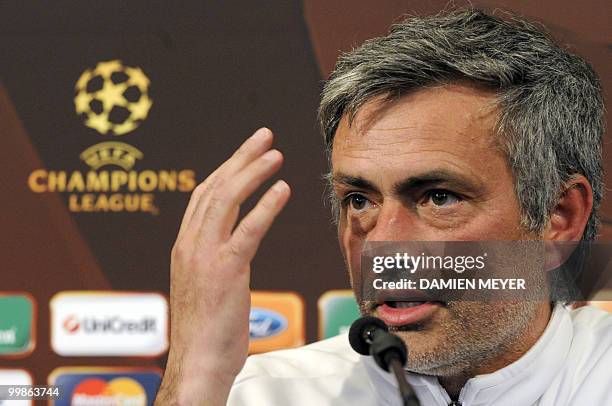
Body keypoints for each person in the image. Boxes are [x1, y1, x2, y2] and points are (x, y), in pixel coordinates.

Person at [154, 8, 611, 406]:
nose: (383, 245)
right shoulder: (259, 396)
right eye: (359, 200)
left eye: (438, 197)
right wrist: (193, 384)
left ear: (559, 219)